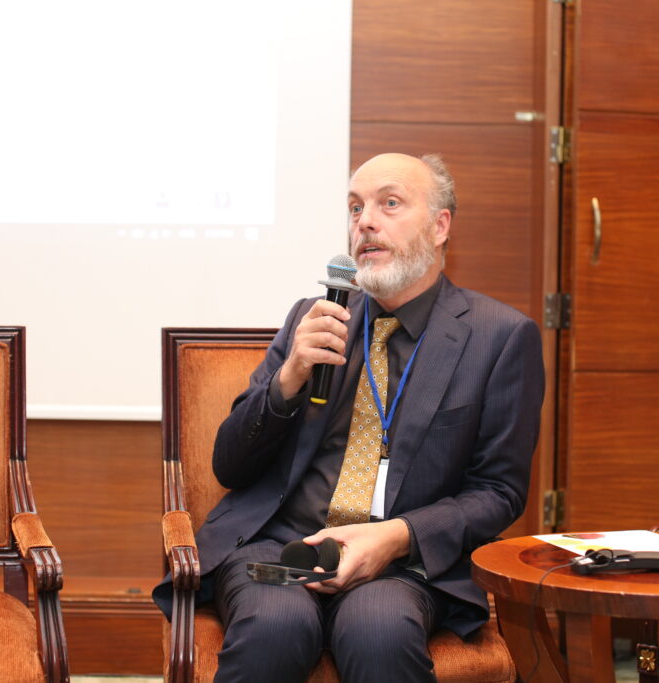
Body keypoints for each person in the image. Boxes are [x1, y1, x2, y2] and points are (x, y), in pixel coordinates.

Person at [153, 152, 544, 682]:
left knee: (378, 631)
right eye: (356, 207)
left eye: (389, 203)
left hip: (402, 562)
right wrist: (288, 378)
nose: (365, 222)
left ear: (439, 226)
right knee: (275, 626)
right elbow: (230, 466)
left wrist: (398, 536)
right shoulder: (314, 320)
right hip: (282, 544)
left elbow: (499, 491)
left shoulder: (499, 338)